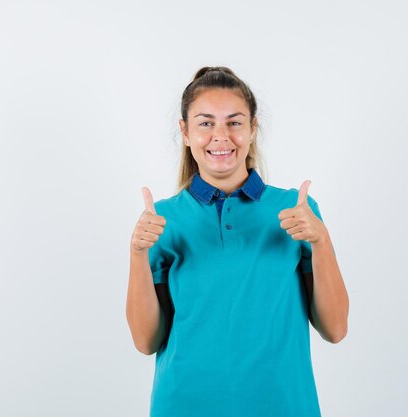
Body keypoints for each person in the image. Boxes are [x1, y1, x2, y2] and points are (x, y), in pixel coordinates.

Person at [125, 66, 349, 417]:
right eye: (205, 123)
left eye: (234, 122)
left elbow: (335, 329)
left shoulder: (296, 210)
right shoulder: (161, 221)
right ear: (184, 132)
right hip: (185, 405)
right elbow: (146, 342)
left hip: (282, 405)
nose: (221, 136)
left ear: (252, 128)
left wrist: (320, 241)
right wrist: (138, 253)